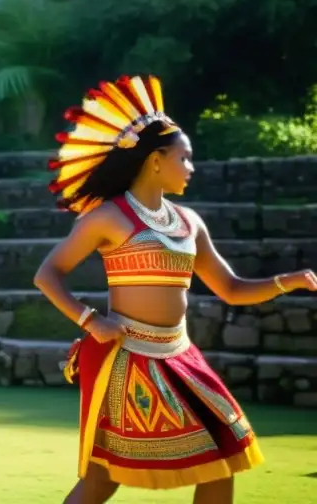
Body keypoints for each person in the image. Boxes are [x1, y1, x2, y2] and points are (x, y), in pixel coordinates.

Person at [34, 75, 317, 503]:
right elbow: (48, 274)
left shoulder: (190, 222)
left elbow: (232, 288)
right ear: (154, 160)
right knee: (102, 478)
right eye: (184, 158)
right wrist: (91, 320)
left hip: (180, 354)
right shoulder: (109, 217)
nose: (191, 167)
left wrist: (288, 281)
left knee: (225, 459)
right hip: (127, 357)